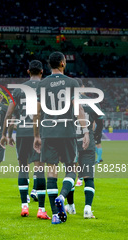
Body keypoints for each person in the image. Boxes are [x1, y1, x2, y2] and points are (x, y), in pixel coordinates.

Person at [33, 52, 90, 224]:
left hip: (48, 133)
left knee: (51, 171)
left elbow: (37, 112)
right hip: (67, 132)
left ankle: (56, 215)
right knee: (72, 168)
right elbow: (77, 108)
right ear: (63, 63)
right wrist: (85, 130)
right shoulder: (72, 83)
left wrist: (36, 135)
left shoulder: (41, 85)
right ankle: (62, 196)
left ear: (49, 65)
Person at [0, 60, 50, 220]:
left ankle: (24, 206)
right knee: (40, 169)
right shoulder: (46, 87)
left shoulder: (19, 90)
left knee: (23, 167)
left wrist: (5, 134)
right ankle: (41, 209)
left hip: (22, 131)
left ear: (28, 71)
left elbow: (9, 114)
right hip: (40, 132)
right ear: (42, 72)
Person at [65, 78, 103, 219]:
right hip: (88, 142)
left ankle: (71, 206)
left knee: (70, 174)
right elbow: (100, 122)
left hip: (72, 143)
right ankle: (87, 209)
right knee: (88, 177)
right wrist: (96, 137)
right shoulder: (92, 102)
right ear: (83, 87)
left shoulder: (66, 104)